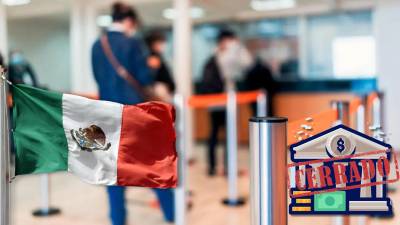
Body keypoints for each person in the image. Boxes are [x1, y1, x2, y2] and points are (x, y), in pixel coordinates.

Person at [91, 2, 174, 225]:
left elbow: (98, 78)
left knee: (113, 169)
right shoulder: (132, 43)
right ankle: (171, 213)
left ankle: (118, 219)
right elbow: (145, 78)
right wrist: (153, 65)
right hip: (133, 113)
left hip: (106, 113)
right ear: (129, 22)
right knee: (151, 165)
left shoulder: (97, 45)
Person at [201, 29, 252, 176]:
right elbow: (247, 63)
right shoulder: (228, 57)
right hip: (225, 100)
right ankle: (228, 168)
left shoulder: (213, 56)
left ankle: (212, 167)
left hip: (213, 102)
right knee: (229, 135)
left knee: (214, 133)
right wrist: (237, 47)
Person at [145, 30, 175, 102]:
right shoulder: (153, 58)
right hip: (160, 93)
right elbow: (153, 77)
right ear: (154, 44)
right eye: (161, 43)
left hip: (164, 91)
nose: (163, 45)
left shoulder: (157, 57)